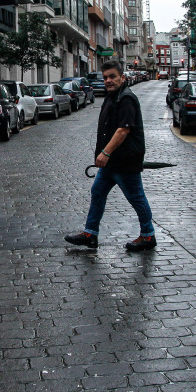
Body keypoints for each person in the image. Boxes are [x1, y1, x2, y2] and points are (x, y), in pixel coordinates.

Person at [65, 60, 156, 251]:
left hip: (124, 161)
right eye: (105, 77)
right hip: (110, 163)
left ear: (122, 77)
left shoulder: (126, 99)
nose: (108, 80)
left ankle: (148, 236)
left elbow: (123, 130)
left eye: (112, 76)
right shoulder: (111, 97)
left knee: (136, 197)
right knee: (97, 192)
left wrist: (105, 152)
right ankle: (90, 234)